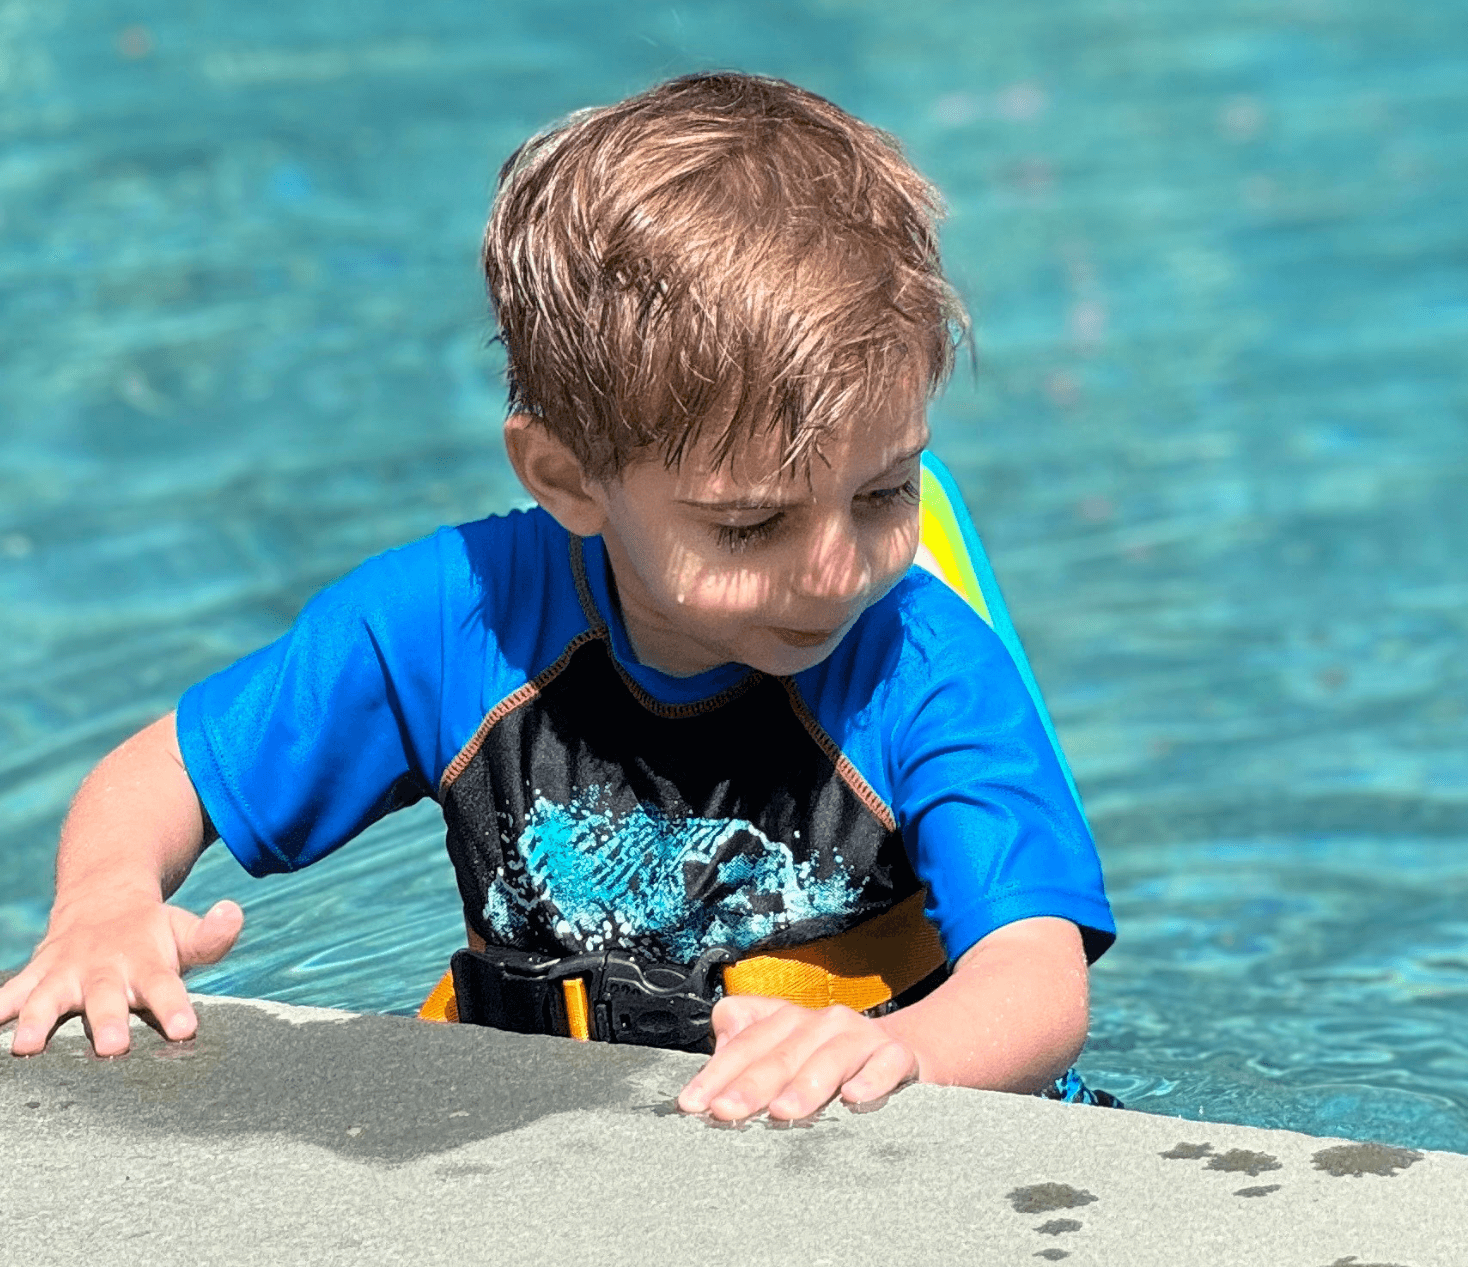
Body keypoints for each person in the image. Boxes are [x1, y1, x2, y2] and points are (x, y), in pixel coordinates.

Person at [0, 72, 1117, 1122]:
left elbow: (1035, 981)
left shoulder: (916, 662)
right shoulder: (456, 618)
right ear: (567, 476)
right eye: (749, 522)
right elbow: (168, 771)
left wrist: (906, 1054)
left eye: (884, 491)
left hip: (879, 1139)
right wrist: (105, 906)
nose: (838, 568)